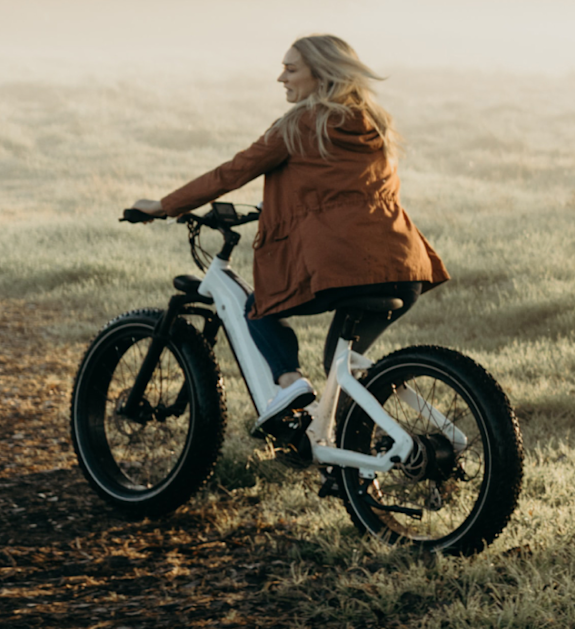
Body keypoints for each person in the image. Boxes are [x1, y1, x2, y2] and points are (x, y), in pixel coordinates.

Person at [131, 35, 448, 427]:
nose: (280, 77)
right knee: (342, 368)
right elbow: (342, 187)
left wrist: (163, 206)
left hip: (344, 265)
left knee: (257, 309)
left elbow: (230, 173)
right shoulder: (376, 123)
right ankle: (353, 451)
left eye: (291, 68)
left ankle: (289, 384)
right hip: (404, 266)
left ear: (322, 74)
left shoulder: (300, 124)